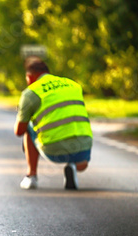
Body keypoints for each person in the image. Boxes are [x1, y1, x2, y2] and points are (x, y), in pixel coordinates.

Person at [14, 57, 93, 190]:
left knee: (28, 126)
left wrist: (22, 112)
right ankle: (73, 166)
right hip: (83, 147)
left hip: (54, 150)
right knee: (77, 144)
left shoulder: (30, 93)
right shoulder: (73, 84)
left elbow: (19, 131)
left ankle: (31, 176)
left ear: (29, 77)